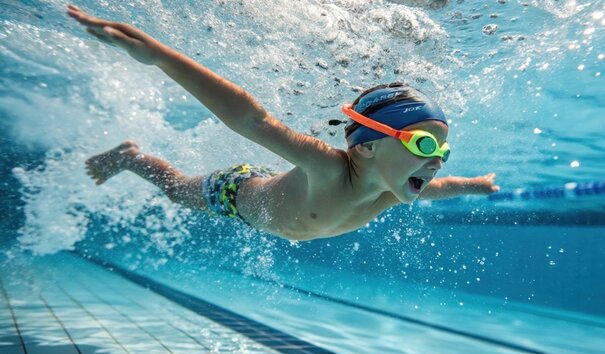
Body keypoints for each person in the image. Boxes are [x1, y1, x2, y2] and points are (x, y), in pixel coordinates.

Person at [68, 5, 499, 241]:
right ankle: (131, 157)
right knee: (177, 190)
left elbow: (447, 187)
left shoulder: (392, 190)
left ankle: (130, 156)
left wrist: (477, 185)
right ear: (367, 144)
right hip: (236, 192)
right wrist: (160, 57)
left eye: (442, 152)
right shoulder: (327, 165)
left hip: (270, 210)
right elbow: (253, 120)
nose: (438, 161)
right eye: (426, 146)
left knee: (179, 193)